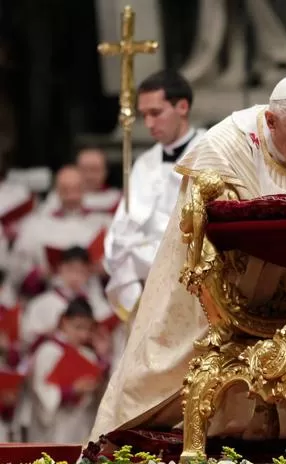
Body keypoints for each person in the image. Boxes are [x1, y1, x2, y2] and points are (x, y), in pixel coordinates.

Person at [89, 74, 286, 446]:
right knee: (177, 367)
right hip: (222, 284)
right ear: (271, 121)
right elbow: (204, 227)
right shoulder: (225, 145)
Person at [103, 71, 206, 321]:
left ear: (182, 107)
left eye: (156, 113)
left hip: (195, 283)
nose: (148, 124)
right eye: (144, 115)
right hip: (149, 284)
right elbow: (122, 227)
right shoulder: (144, 164)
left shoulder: (209, 152)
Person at [0, 166, 111, 307]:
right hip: (49, 298)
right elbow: (18, 274)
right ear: (57, 191)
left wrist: (104, 268)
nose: (72, 196)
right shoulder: (36, 225)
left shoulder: (102, 223)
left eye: (76, 189)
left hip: (92, 299)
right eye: (66, 190)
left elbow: (118, 269)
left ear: (84, 189)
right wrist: (39, 274)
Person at [19, 297, 109, 444]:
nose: (83, 335)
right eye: (78, 327)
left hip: (77, 426)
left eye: (88, 329)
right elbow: (42, 393)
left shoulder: (89, 355)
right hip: (51, 429)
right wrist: (71, 390)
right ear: (64, 322)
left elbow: (99, 399)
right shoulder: (48, 351)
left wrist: (103, 359)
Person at [40, 148, 120, 214]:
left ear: (105, 172)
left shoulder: (117, 200)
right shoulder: (55, 197)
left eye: (95, 170)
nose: (89, 176)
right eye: (83, 169)